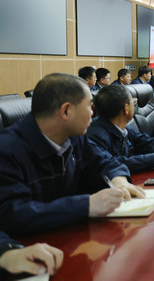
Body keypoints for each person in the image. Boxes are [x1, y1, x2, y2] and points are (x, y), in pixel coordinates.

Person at [0, 73, 144, 237]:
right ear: (66, 111)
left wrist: (119, 180)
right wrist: (86, 205)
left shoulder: (74, 137)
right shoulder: (7, 150)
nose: (93, 113)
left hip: (70, 235)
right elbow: (12, 215)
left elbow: (105, 161)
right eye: (89, 106)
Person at [87, 84, 154, 172]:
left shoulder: (123, 128)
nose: (134, 106)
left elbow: (146, 141)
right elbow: (111, 164)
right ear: (126, 108)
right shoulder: (95, 135)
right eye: (133, 102)